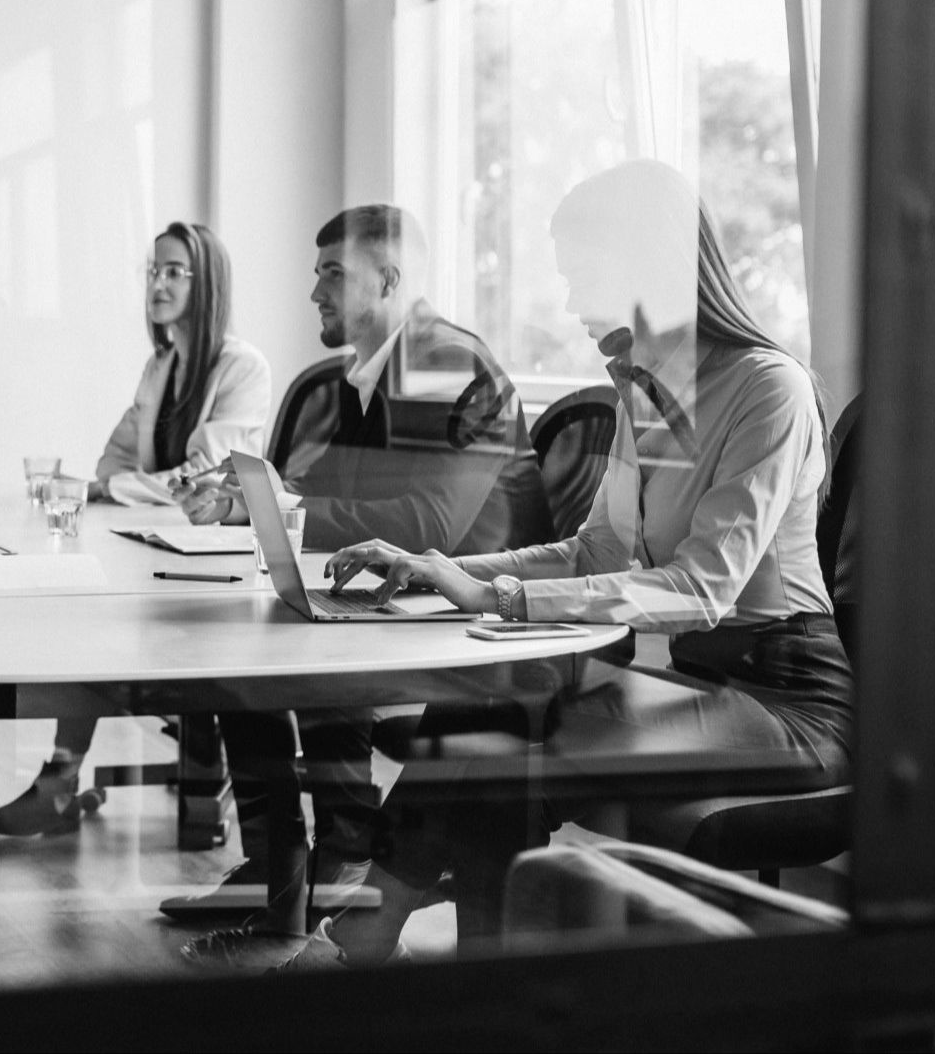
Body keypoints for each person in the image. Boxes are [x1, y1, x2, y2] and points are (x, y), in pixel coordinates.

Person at [281, 159, 852, 971]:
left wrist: (501, 595)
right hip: (703, 683)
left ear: (645, 264)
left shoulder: (769, 390)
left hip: (791, 699)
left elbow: (702, 588)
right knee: (482, 712)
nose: (573, 300)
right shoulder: (645, 392)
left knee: (501, 740)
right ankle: (418, 957)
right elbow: (596, 550)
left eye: (583, 273)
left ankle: (392, 948)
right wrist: (441, 567)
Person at [171, 205, 549, 962]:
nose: (315, 291)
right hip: (405, 599)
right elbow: (336, 498)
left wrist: (293, 506)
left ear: (389, 280)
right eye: (317, 273)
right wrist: (250, 500)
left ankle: (336, 863)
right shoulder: (368, 372)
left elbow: (432, 523)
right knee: (235, 656)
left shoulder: (445, 361)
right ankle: (285, 872)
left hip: (478, 614)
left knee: (274, 658)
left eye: (334, 274)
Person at [0, 221, 272, 836]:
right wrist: (129, 484)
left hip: (215, 561)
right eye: (152, 270)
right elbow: (113, 461)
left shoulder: (244, 367)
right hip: (158, 544)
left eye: (173, 271)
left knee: (103, 621)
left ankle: (71, 787)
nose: (157, 283)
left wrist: (123, 486)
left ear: (208, 282)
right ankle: (59, 785)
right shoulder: (160, 365)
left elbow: (203, 477)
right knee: (90, 612)